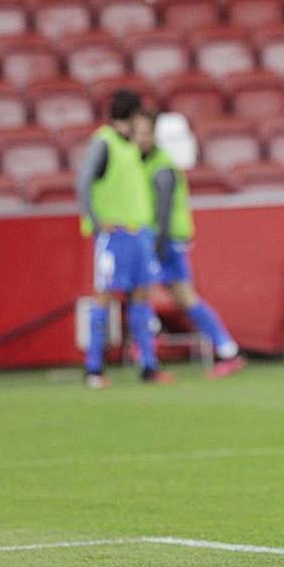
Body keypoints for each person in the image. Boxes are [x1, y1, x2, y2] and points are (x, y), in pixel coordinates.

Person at [134, 110, 246, 379]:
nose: (140, 138)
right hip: (167, 239)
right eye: (137, 132)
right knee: (181, 297)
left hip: (166, 240)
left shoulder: (162, 168)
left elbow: (162, 212)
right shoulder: (148, 164)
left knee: (146, 294)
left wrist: (156, 247)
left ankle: (148, 347)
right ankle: (226, 349)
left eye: (145, 133)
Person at [77, 90, 173, 389]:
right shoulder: (103, 142)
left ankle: (148, 364)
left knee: (142, 297)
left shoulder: (130, 146)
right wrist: (95, 220)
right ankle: (93, 368)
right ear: (131, 116)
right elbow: (83, 181)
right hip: (114, 234)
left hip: (139, 232)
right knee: (104, 297)